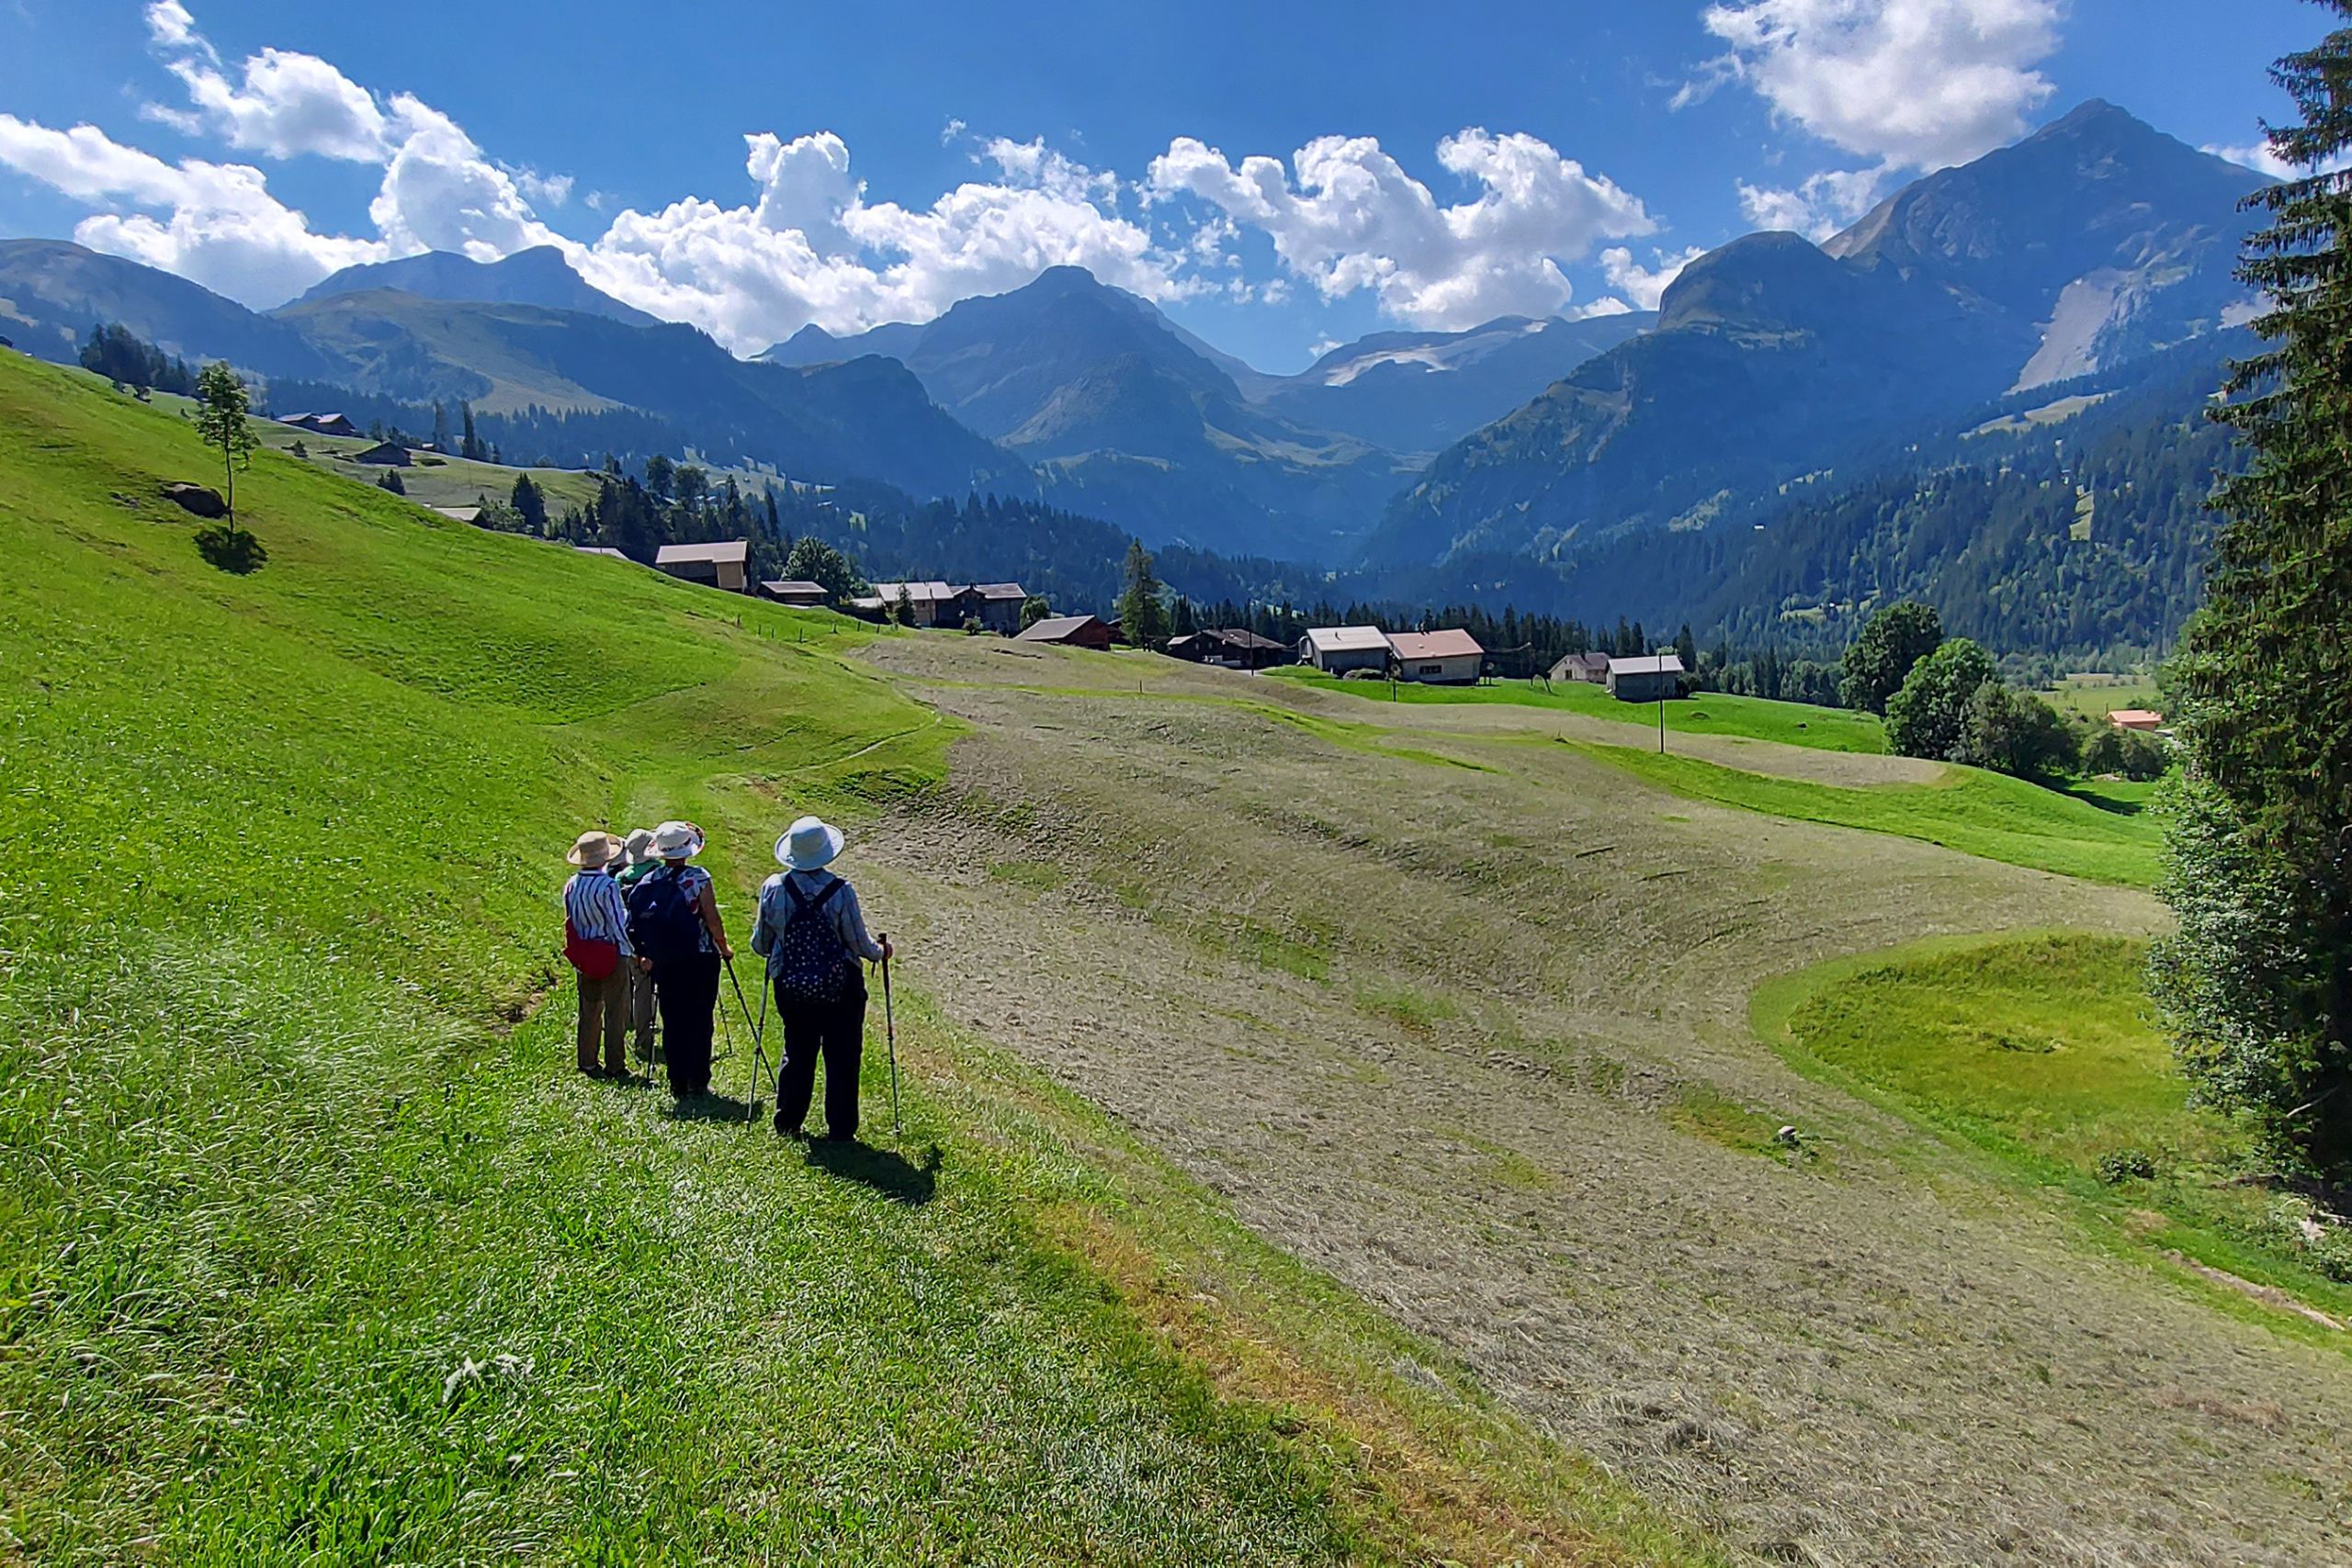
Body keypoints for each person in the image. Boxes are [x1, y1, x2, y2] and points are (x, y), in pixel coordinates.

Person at [752, 815, 891, 1141]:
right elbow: (860, 944)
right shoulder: (841, 891)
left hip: (792, 984)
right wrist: (882, 952)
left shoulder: (773, 888)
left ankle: (788, 1121)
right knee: (843, 1056)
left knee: (797, 1051)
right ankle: (841, 1129)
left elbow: (760, 944)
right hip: (840, 986)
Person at [625, 819, 730, 1098]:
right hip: (700, 956)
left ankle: (677, 1079)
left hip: (665, 958)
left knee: (672, 1019)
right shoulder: (698, 878)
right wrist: (724, 946)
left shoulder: (648, 881)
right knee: (700, 1017)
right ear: (687, 850)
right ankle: (698, 1078)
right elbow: (711, 918)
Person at [560, 829, 633, 1079]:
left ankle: (587, 1059)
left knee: (589, 1008)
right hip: (609, 949)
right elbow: (616, 921)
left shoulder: (571, 885)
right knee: (615, 1010)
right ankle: (615, 1063)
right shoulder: (607, 885)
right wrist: (627, 948)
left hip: (585, 952)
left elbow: (570, 918)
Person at [613, 828, 661, 1067]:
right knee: (652, 989)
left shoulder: (621, 877)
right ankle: (646, 1037)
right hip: (656, 938)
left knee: (637, 986)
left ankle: (637, 1031)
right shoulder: (658, 873)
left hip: (630, 938)